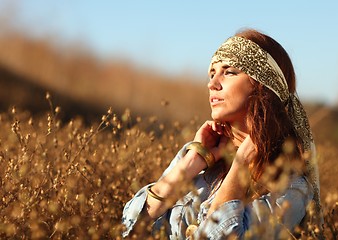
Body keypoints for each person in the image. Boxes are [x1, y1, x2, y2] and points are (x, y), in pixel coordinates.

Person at [121, 28, 323, 239]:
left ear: (264, 85)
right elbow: (130, 229)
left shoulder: (290, 186)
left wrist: (239, 167)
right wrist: (192, 162)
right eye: (211, 73)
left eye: (229, 72)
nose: (212, 84)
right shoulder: (199, 156)